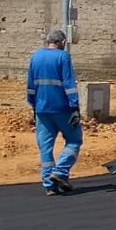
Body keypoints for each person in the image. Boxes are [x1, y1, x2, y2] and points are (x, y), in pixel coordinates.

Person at [27, 30, 82, 196]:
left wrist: (33, 105)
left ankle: (49, 185)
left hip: (41, 109)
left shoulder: (35, 57)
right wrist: (75, 107)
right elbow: (69, 84)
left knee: (45, 147)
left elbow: (30, 85)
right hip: (62, 108)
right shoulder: (62, 57)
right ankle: (60, 172)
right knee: (74, 140)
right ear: (62, 42)